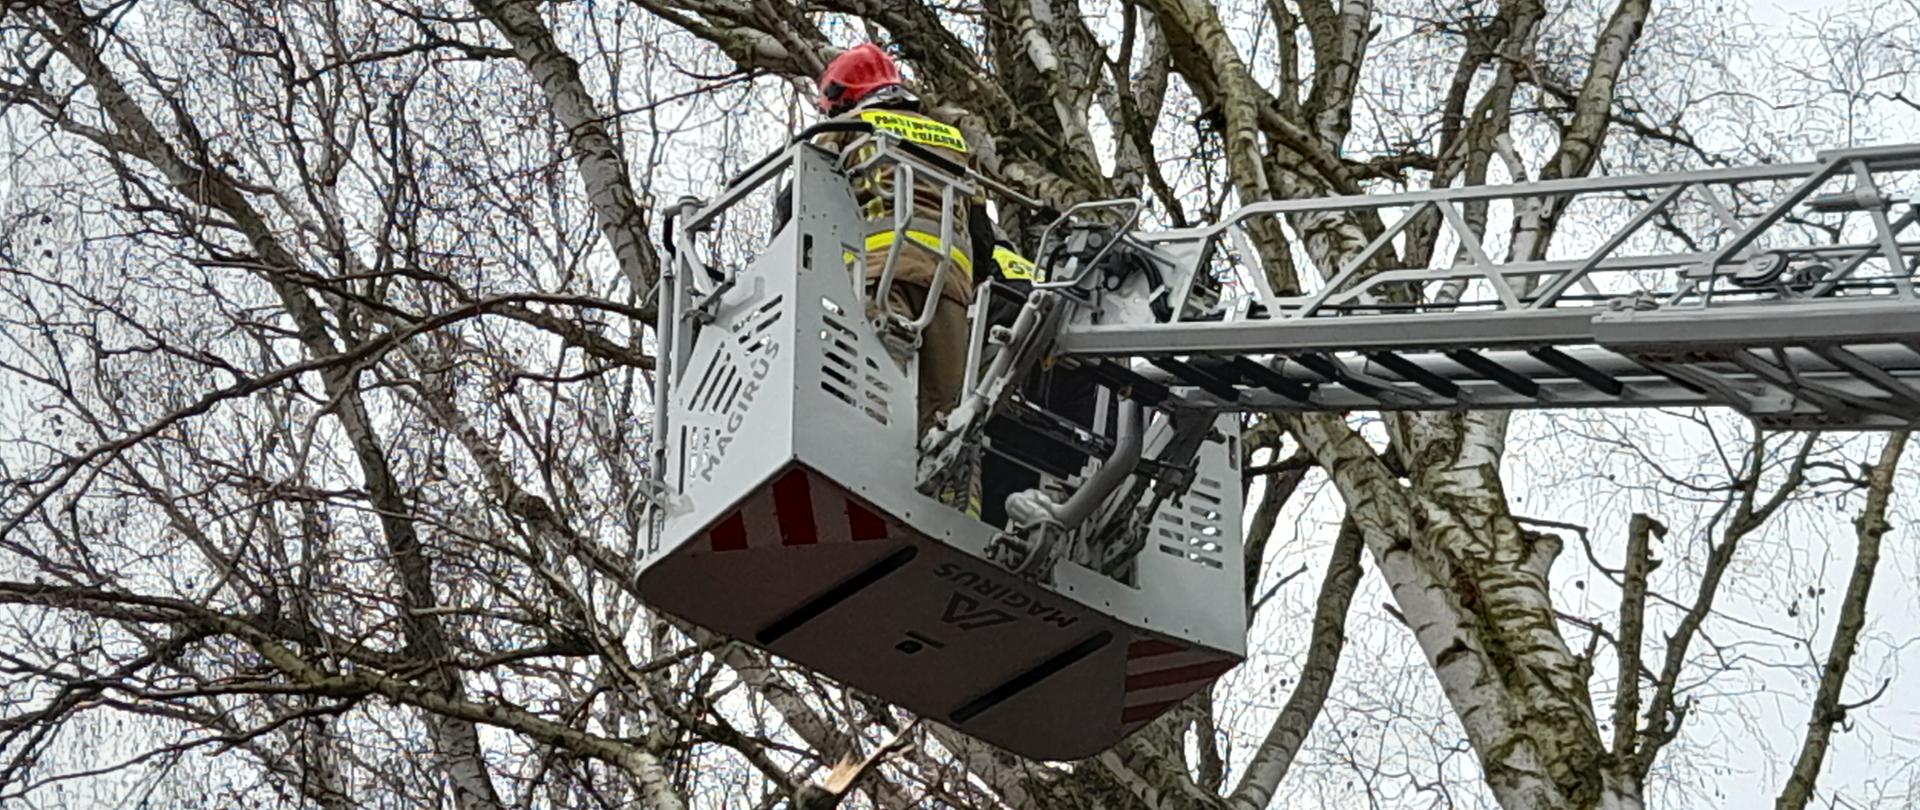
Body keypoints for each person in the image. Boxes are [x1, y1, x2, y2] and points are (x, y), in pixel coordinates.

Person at [811, 43, 982, 440]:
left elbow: (799, 204)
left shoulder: (845, 128)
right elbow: (983, 236)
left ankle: (860, 466)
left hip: (880, 273)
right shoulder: (952, 140)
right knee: (943, 420)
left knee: (871, 390)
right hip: (950, 285)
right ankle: (942, 493)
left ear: (843, 96)